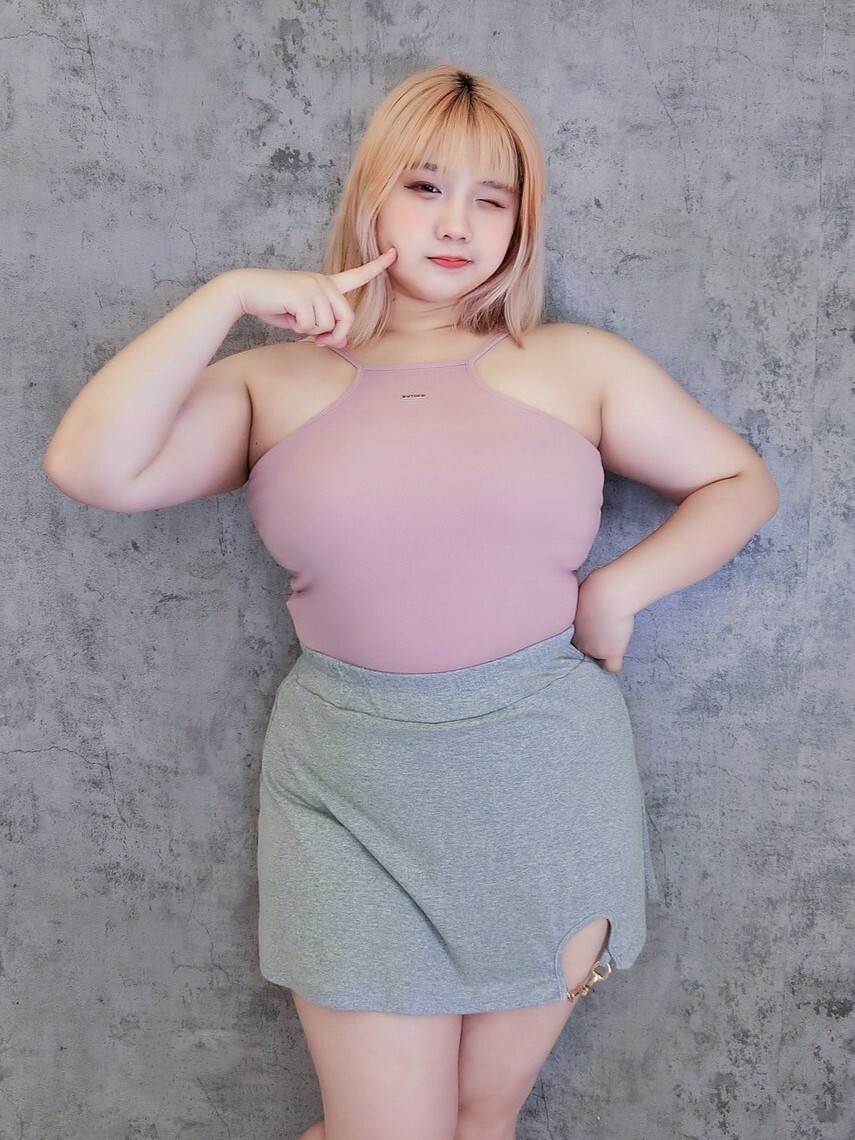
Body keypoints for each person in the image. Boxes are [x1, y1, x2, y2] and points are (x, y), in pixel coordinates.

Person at [44, 64, 778, 1140]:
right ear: (372, 197)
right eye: (426, 186)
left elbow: (738, 481)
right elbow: (89, 466)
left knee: (480, 1122)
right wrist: (227, 296)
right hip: (350, 790)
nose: (456, 223)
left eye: (493, 198)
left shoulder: (574, 365)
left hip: (544, 781)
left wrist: (622, 588)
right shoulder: (272, 382)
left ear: (522, 222)